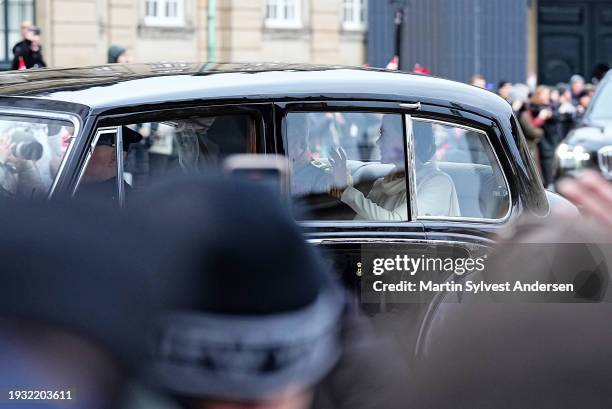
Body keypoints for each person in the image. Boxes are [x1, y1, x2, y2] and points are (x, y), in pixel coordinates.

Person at [329, 115, 459, 221]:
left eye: (384, 134)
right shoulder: (383, 183)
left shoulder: (438, 183)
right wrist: (339, 185)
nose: (378, 142)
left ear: (409, 140)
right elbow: (358, 221)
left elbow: (396, 222)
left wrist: (346, 190)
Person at [77, 126, 142, 202]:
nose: (79, 154)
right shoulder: (72, 187)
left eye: (89, 148)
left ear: (114, 158)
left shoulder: (127, 201)